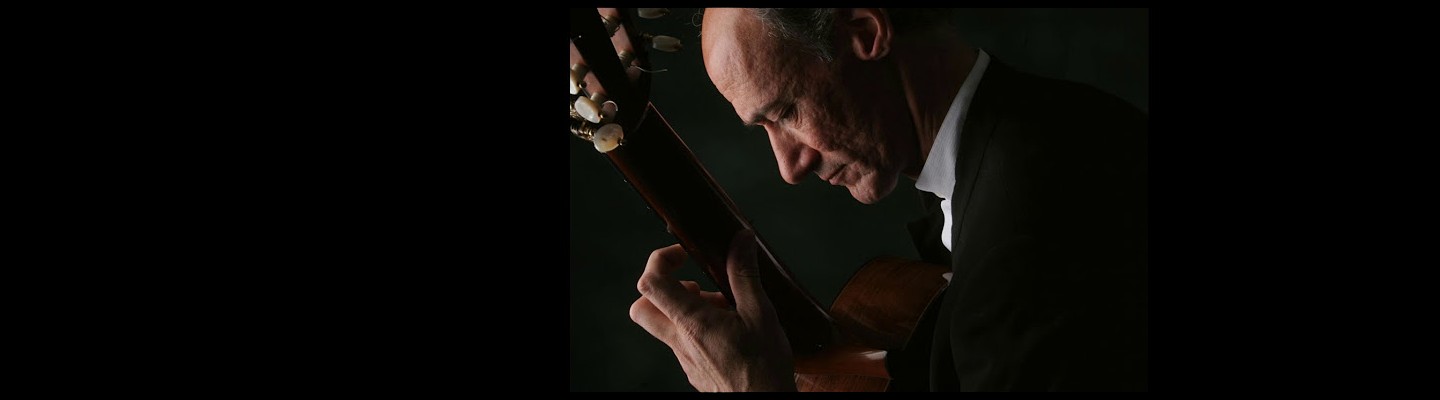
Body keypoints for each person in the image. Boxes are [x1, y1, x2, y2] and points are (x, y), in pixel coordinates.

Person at [626, 8, 1147, 391]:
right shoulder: (1042, 134)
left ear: (866, 32)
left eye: (785, 112)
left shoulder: (1028, 230)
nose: (789, 167)